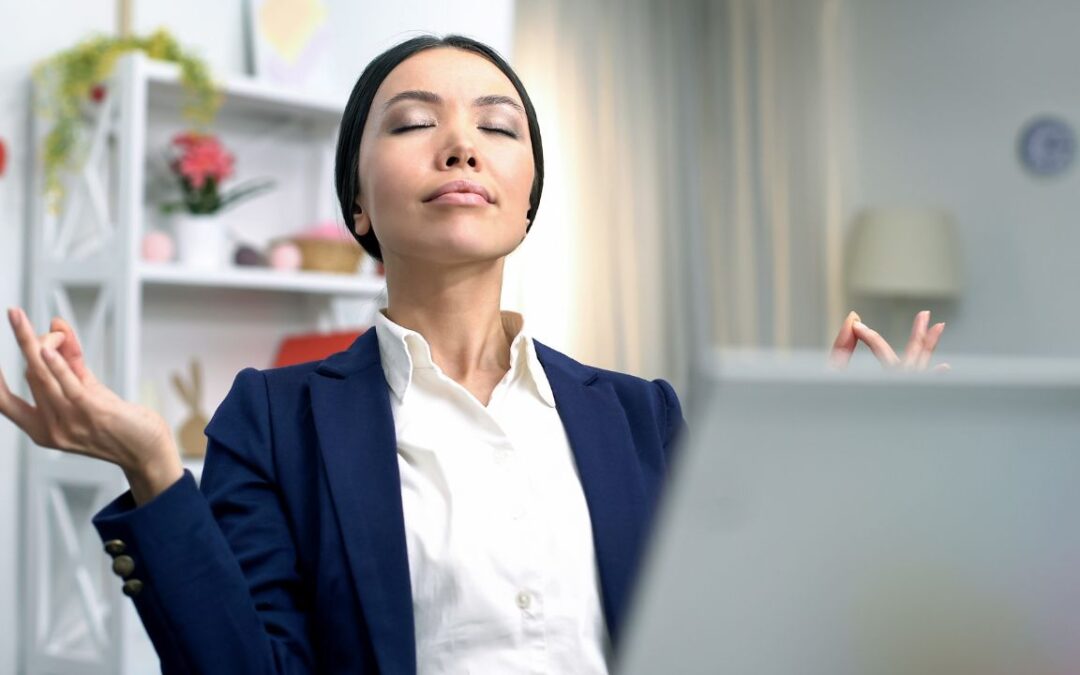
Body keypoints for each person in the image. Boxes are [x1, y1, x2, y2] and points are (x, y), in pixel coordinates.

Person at [0, 34, 947, 675]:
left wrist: (841, 469)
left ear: (526, 198)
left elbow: (736, 636)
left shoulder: (640, 415)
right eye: (413, 123)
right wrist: (154, 467)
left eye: (498, 128)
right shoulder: (272, 417)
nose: (461, 144)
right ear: (358, 206)